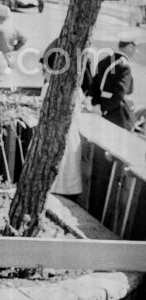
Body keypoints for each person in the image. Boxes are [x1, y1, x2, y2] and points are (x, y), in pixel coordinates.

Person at [40, 48, 83, 200]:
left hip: (55, 136)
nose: (43, 74)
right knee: (66, 179)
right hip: (70, 136)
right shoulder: (75, 87)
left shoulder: (48, 87)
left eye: (45, 70)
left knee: (56, 179)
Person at [90, 32, 139, 130]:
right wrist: (104, 109)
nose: (136, 51)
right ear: (129, 47)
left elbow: (94, 86)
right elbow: (120, 94)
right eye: (135, 48)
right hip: (119, 115)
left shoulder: (104, 61)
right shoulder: (124, 66)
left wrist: (98, 105)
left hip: (103, 109)